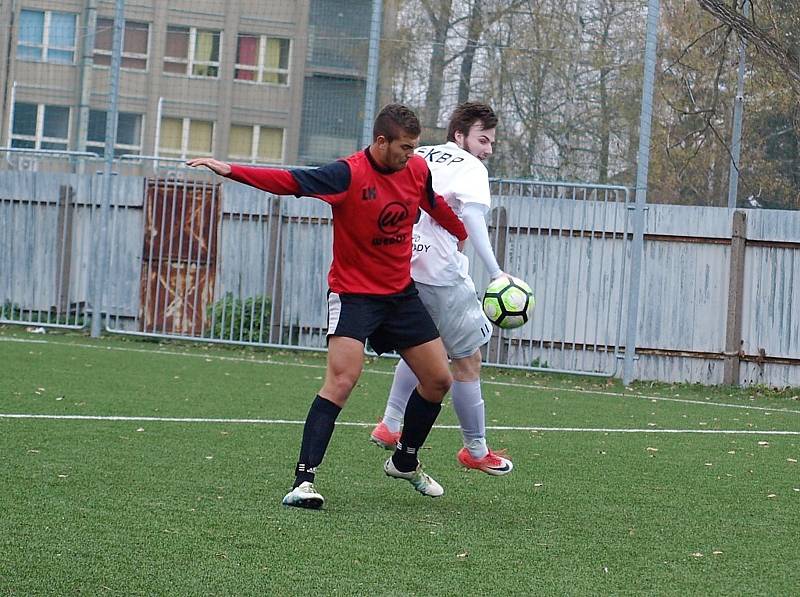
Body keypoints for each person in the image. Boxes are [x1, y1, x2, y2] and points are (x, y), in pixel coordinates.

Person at [187, 104, 467, 509]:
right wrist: (231, 170)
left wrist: (458, 231)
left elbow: (433, 203)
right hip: (354, 294)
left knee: (439, 380)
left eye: (415, 147)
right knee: (342, 381)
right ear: (381, 141)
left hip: (400, 294)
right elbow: (289, 180)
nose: (411, 154)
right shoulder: (347, 174)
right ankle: (303, 482)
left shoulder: (417, 170)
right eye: (405, 147)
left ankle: (405, 460)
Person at [370, 102, 514, 476]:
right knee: (467, 361)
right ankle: (476, 449)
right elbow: (472, 217)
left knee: (423, 350)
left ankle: (389, 422)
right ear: (460, 135)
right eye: (483, 139)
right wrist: (497, 272)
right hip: (439, 274)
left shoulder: (421, 153)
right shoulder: (470, 168)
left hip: (402, 266)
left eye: (491, 142)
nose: (488, 149)